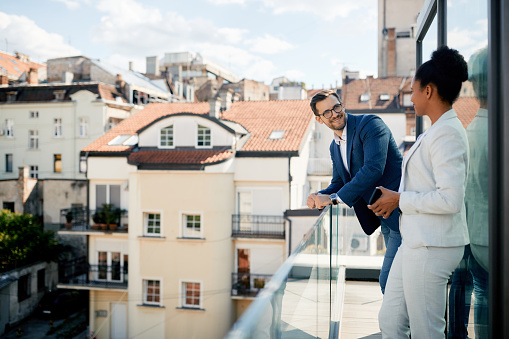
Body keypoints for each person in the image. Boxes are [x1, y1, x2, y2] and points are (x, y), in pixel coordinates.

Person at [369, 45, 470, 338]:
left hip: (431, 247)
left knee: (427, 331)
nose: (410, 97)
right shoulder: (436, 130)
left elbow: (450, 198)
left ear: (429, 91)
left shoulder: (448, 133)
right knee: (390, 320)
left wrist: (400, 199)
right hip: (415, 242)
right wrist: (395, 198)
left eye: (413, 90)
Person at [306, 89, 403, 294]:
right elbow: (339, 182)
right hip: (382, 216)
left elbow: (373, 169)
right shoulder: (335, 146)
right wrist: (318, 195)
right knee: (399, 281)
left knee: (389, 281)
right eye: (327, 113)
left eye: (336, 107)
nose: (334, 114)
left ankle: (402, 327)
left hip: (402, 213)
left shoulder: (370, 124)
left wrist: (332, 199)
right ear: (319, 119)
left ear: (342, 105)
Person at [448, 46, 489, 339]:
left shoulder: (469, 130)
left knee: (482, 293)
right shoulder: (498, 131)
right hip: (494, 239)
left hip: (472, 237)